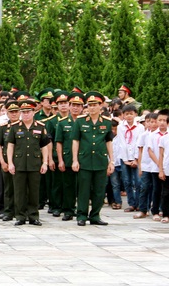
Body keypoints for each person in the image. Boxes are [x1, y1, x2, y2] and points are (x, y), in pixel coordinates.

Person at [72, 92, 115, 226]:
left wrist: (111, 160)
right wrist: (75, 160)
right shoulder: (80, 121)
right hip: (84, 160)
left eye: (95, 105)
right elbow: (75, 141)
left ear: (100, 106)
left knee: (99, 191)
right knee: (83, 190)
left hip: (100, 161)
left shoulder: (107, 123)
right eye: (90, 105)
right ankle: (82, 216)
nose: (92, 108)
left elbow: (108, 142)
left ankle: (95, 215)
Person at [7, 99, 51, 226]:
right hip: (19, 163)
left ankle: (33, 216)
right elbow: (10, 146)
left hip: (34, 163)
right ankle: (20, 216)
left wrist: (45, 163)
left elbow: (44, 146)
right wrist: (10, 163)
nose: (26, 114)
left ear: (33, 112)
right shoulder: (15, 127)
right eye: (23, 112)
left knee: (34, 191)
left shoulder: (40, 127)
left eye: (28, 112)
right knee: (19, 191)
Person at [54, 92, 85, 221]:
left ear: (82, 107)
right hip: (67, 159)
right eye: (73, 105)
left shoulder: (86, 121)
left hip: (83, 159)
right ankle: (68, 210)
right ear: (69, 106)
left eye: (78, 105)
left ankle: (82, 211)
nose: (75, 108)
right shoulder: (62, 123)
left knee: (83, 186)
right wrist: (60, 160)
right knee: (68, 186)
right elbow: (59, 142)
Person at [0, 100, 21, 221]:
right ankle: (8, 211)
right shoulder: (3, 127)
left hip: (21, 161)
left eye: (16, 112)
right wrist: (2, 161)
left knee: (21, 188)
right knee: (8, 187)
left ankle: (20, 211)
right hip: (6, 160)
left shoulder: (24, 127)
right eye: (11, 112)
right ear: (7, 114)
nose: (14, 114)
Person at [118, 104, 144, 213]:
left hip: (136, 158)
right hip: (124, 158)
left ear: (135, 114)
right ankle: (131, 203)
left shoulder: (140, 127)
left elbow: (139, 144)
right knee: (127, 181)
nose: (129, 116)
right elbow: (122, 143)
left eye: (131, 114)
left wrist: (136, 159)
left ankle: (139, 203)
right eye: (126, 114)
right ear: (123, 115)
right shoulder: (120, 127)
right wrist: (125, 160)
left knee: (138, 182)